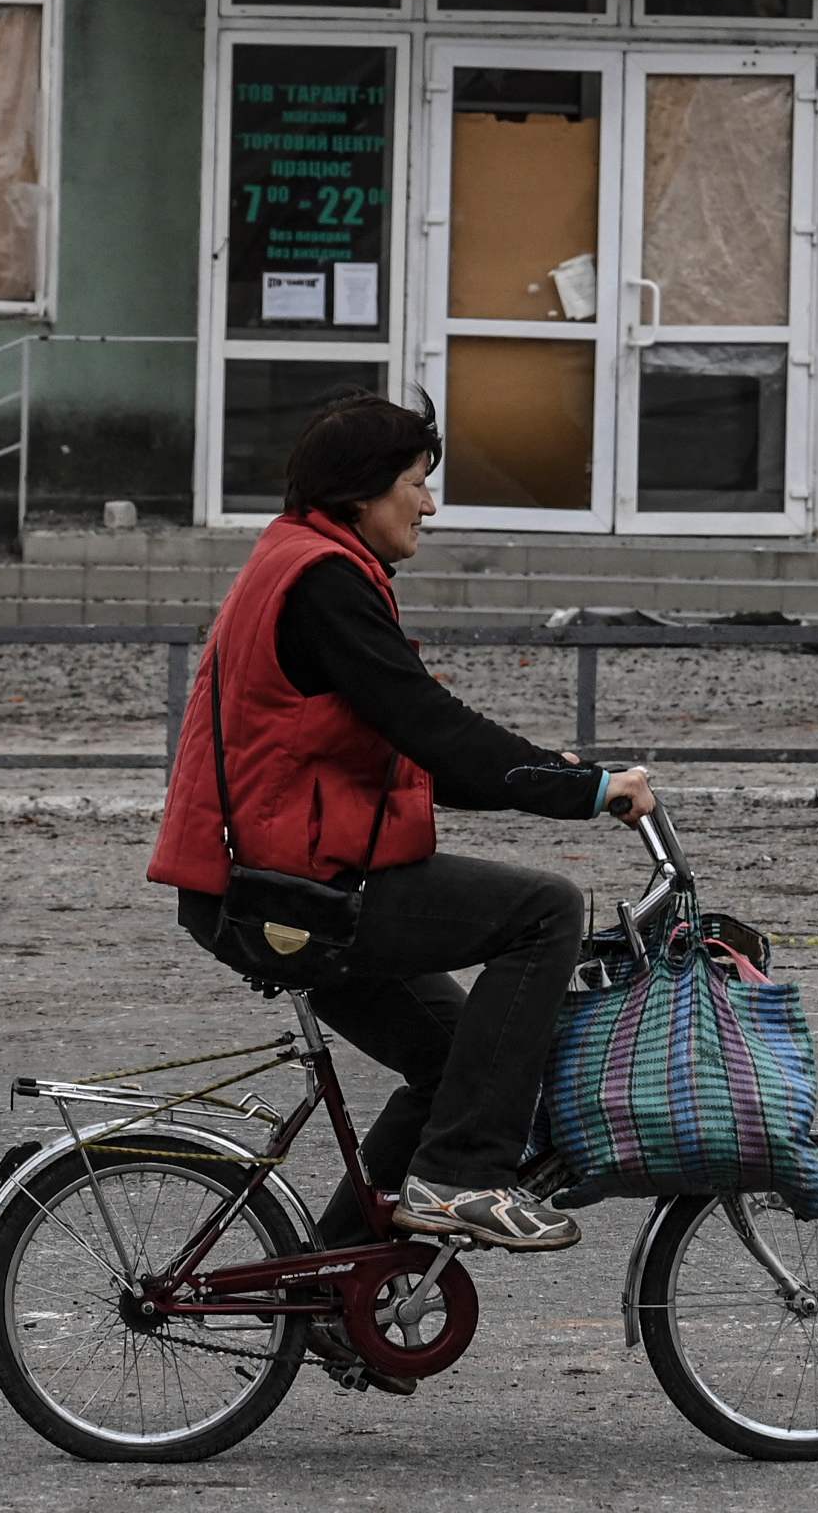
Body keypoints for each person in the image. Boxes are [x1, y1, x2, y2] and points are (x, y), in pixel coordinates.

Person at [146, 392, 653, 1257]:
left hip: (282, 884)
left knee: (459, 1062)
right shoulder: (323, 583)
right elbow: (433, 727)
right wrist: (587, 790)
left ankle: (333, 1285)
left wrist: (561, 775)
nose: (430, 504)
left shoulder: (305, 565)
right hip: (293, 896)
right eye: (417, 482)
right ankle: (461, 1176)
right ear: (361, 492)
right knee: (547, 912)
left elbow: (410, 752)